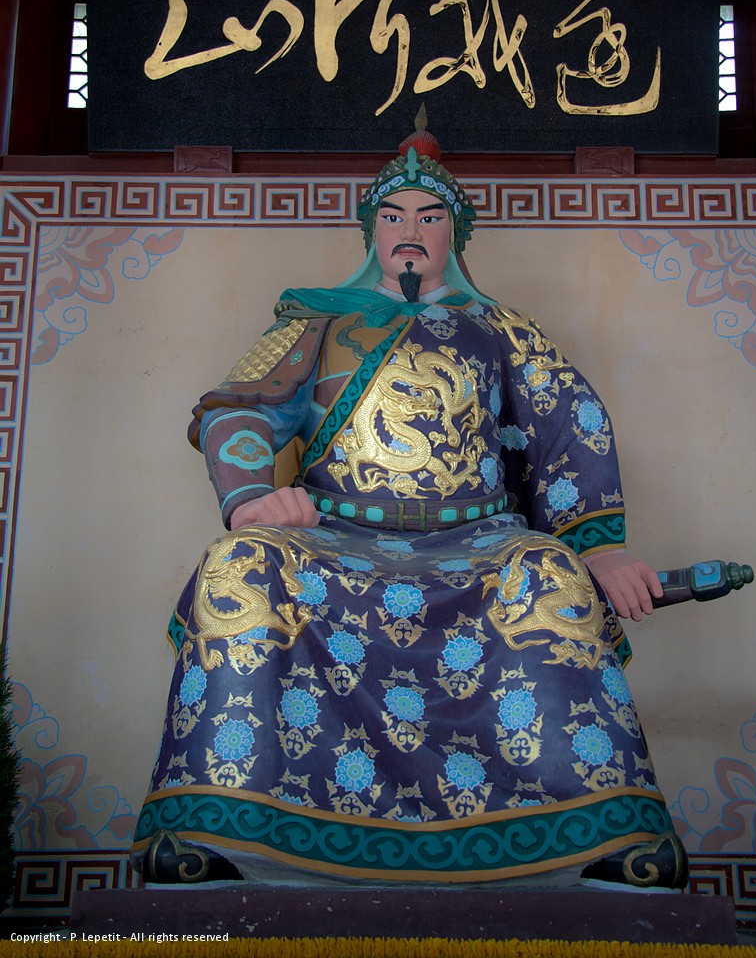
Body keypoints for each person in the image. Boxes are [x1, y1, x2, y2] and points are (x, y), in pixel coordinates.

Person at [132, 128, 686, 888]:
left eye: (430, 217)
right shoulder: (315, 322)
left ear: (455, 235)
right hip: (335, 540)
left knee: (546, 574)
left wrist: (600, 547)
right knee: (241, 567)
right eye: (393, 216)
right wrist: (253, 497)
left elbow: (569, 424)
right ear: (372, 232)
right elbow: (237, 409)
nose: (411, 231)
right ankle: (225, 824)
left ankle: (593, 832)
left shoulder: (502, 330)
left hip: (481, 543)